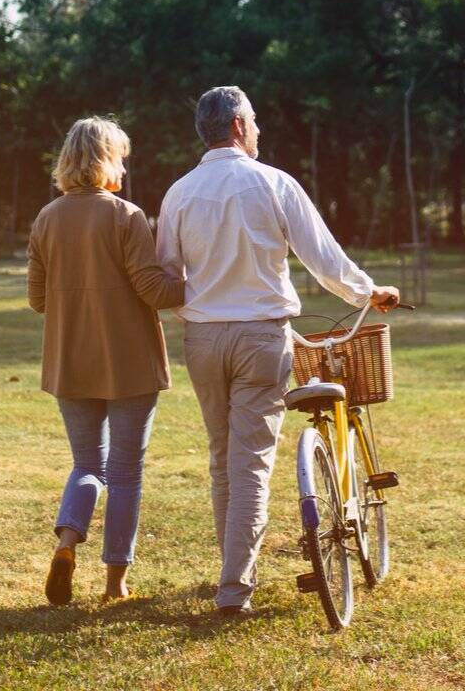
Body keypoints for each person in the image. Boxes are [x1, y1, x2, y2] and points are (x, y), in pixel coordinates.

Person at [156, 86, 399, 615]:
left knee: (223, 457)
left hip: (202, 339)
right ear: (239, 126)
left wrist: (201, 298)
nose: (259, 129)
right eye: (256, 121)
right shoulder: (272, 183)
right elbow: (324, 259)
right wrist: (367, 292)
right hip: (261, 337)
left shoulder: (178, 193)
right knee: (251, 464)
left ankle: (231, 571)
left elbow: (167, 273)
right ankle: (233, 588)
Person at [27, 117, 185, 605]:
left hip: (71, 363)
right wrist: (207, 278)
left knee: (86, 465)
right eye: (121, 157)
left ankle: (67, 540)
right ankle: (115, 583)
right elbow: (154, 290)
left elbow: (38, 299)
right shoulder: (126, 215)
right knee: (125, 474)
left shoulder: (46, 218)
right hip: (130, 363)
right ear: (106, 159)